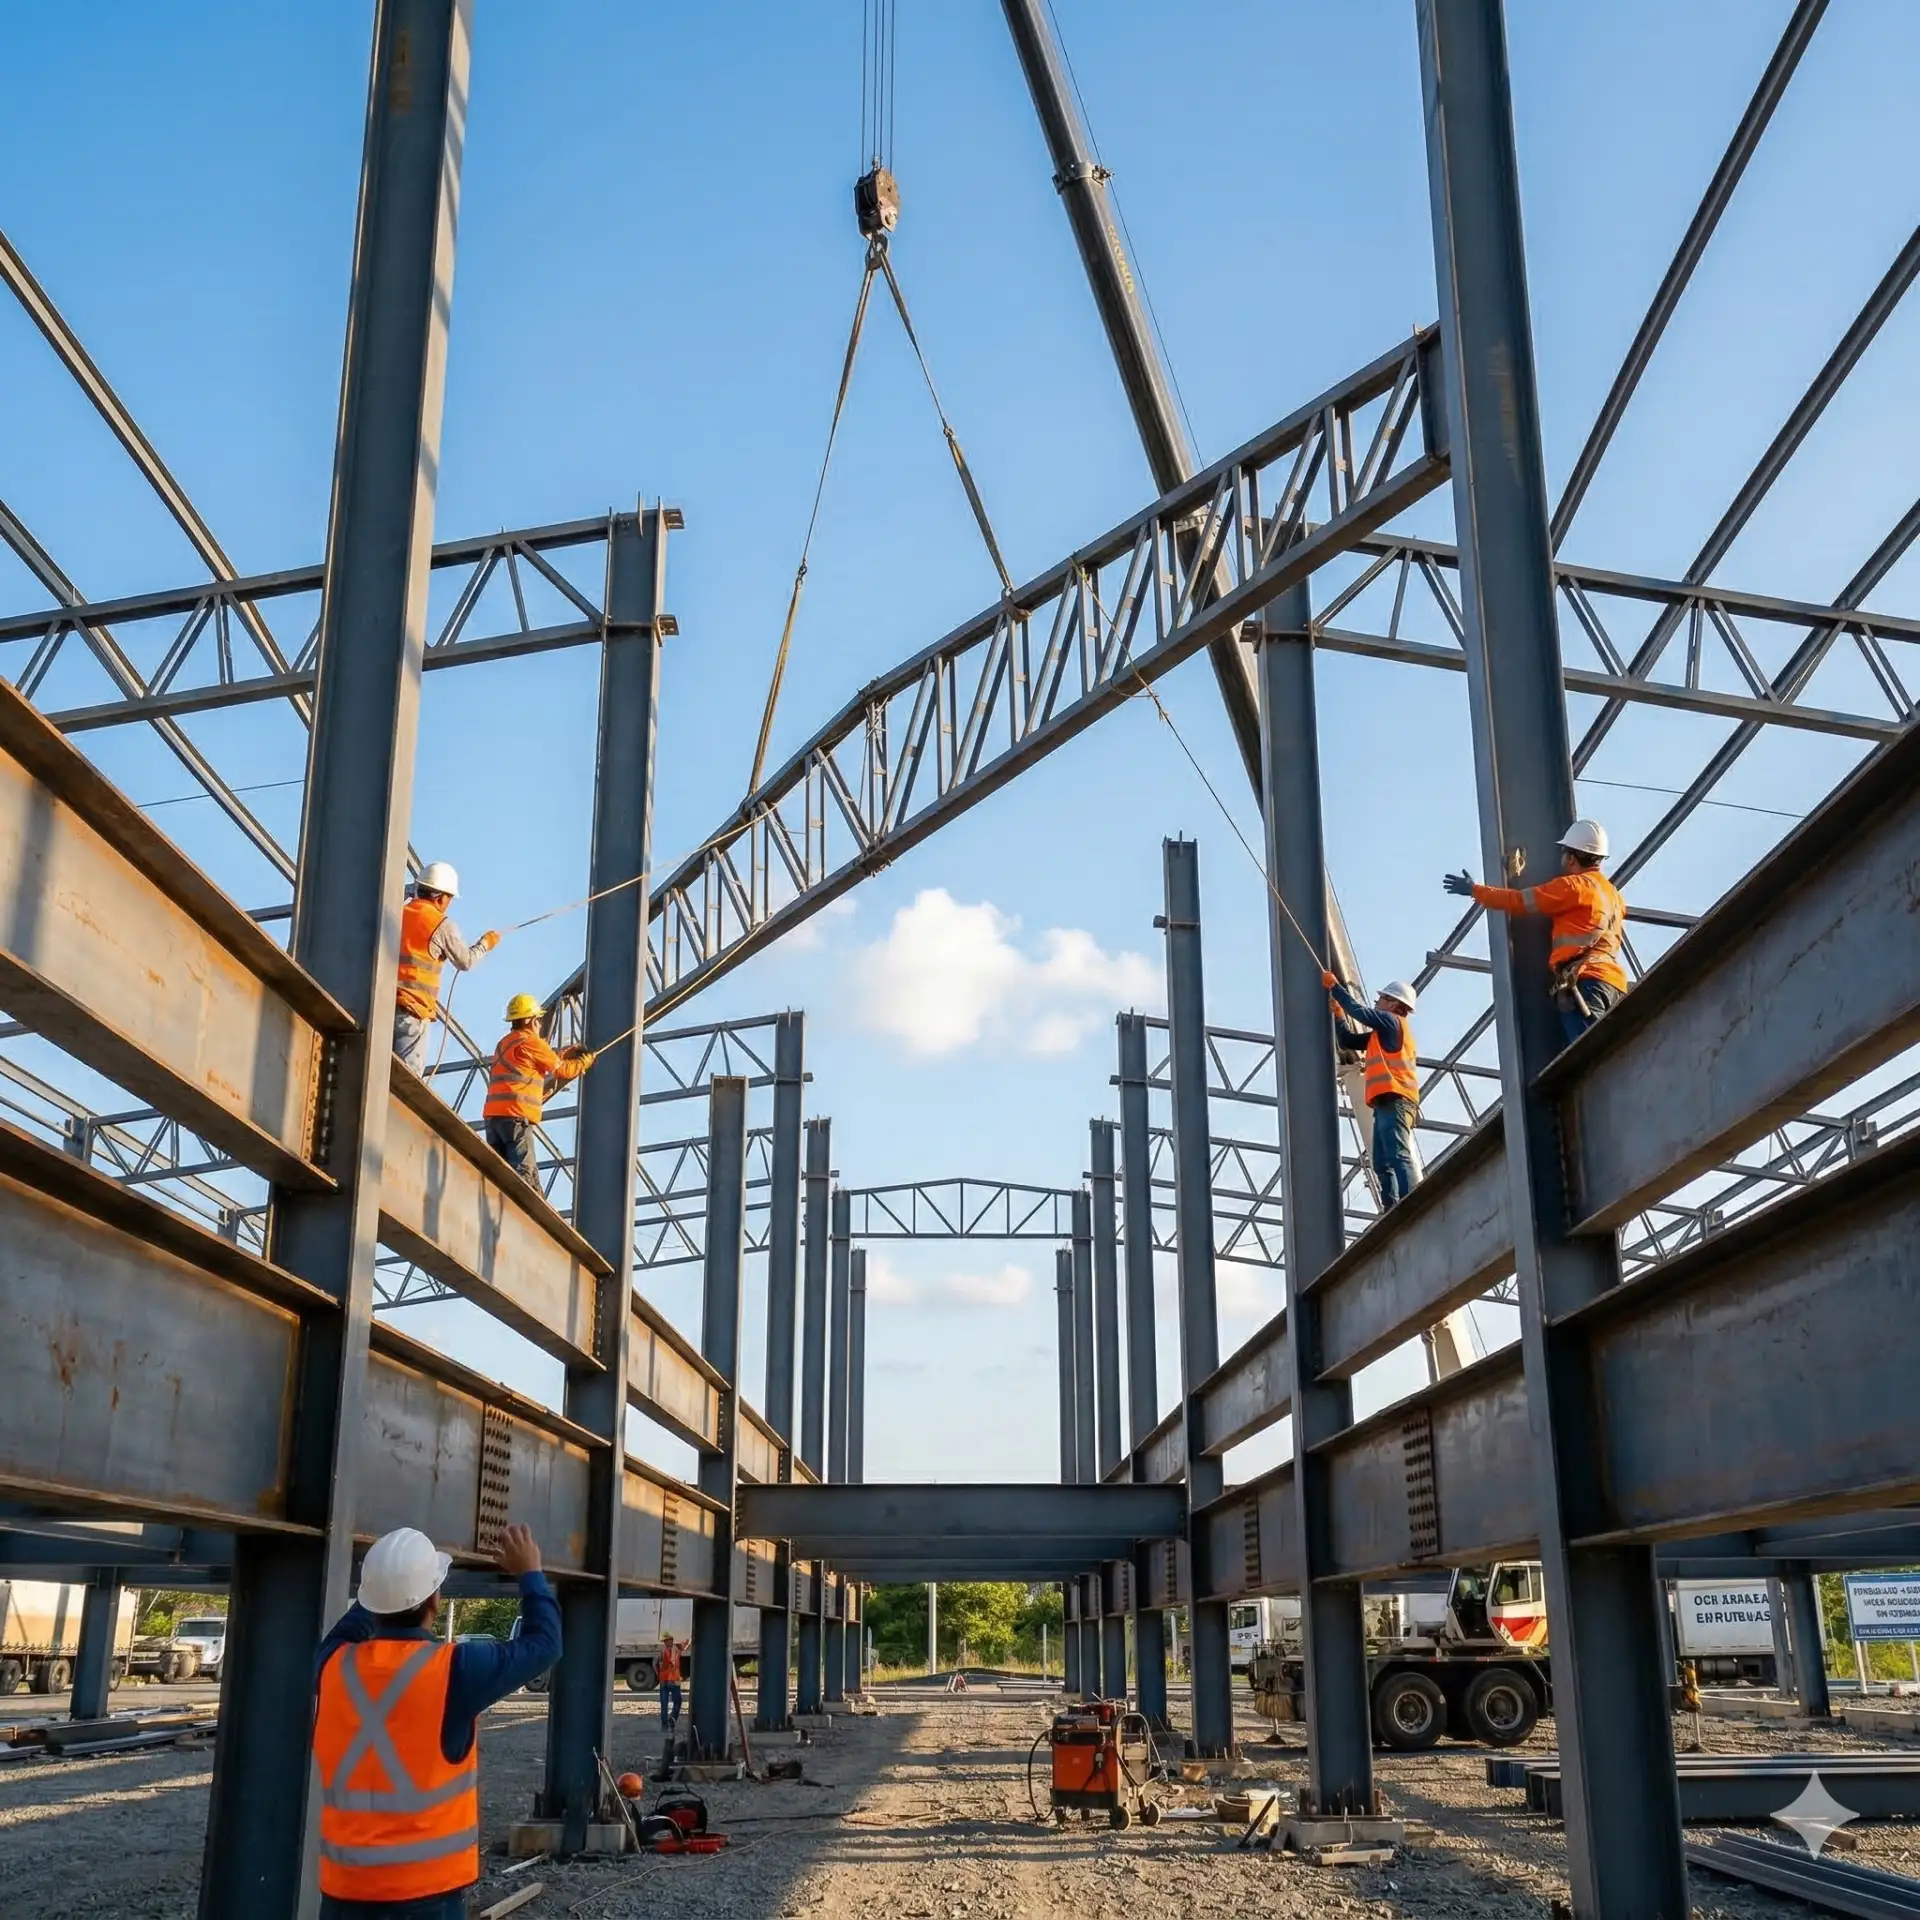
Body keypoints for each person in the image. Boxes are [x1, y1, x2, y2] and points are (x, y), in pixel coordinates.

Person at [312, 1521, 559, 1919]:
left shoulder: (332, 1666)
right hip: (426, 1896)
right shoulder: (454, 1670)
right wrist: (530, 1571)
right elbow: (545, 1644)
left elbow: (353, 1625)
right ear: (435, 1600)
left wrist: (384, 1584)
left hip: (345, 1894)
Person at [1444, 819, 1628, 1046]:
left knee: (1591, 1054)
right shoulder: (1614, 895)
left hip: (1587, 982)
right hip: (1614, 984)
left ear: (1571, 858)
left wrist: (1474, 890)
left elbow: (1519, 901)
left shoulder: (1573, 887)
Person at [1324, 971, 1422, 1207]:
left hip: (1397, 1098)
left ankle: (1412, 1203)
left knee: (1397, 1154)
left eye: (1382, 998)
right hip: (1385, 1100)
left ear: (1394, 1004)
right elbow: (1348, 1041)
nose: (1377, 1002)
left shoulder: (1393, 1022)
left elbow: (1360, 1013)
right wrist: (1338, 1016)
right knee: (1381, 1162)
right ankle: (1391, 1206)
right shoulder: (1383, 1034)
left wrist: (1336, 987)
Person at [394, 862, 499, 1076]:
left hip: (383, 1003)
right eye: (449, 899)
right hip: (414, 1009)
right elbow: (465, 961)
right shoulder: (440, 924)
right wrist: (485, 945)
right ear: (441, 898)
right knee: (405, 1078)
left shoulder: (396, 911)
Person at [482, 995, 597, 1186]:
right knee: (524, 1176)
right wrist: (584, 1061)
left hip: (494, 1118)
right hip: (515, 1118)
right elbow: (563, 1070)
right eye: (538, 1020)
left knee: (497, 1174)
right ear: (533, 1020)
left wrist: (559, 1056)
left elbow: (526, 1070)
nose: (540, 1025)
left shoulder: (504, 1043)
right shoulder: (532, 1042)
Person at [656, 1632, 684, 1748]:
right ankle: (672, 1718)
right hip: (673, 1680)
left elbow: (655, 1663)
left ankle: (664, 1722)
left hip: (664, 1680)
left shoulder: (662, 1651)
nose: (666, 1642)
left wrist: (659, 1675)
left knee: (664, 1702)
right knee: (677, 1701)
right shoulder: (675, 1650)